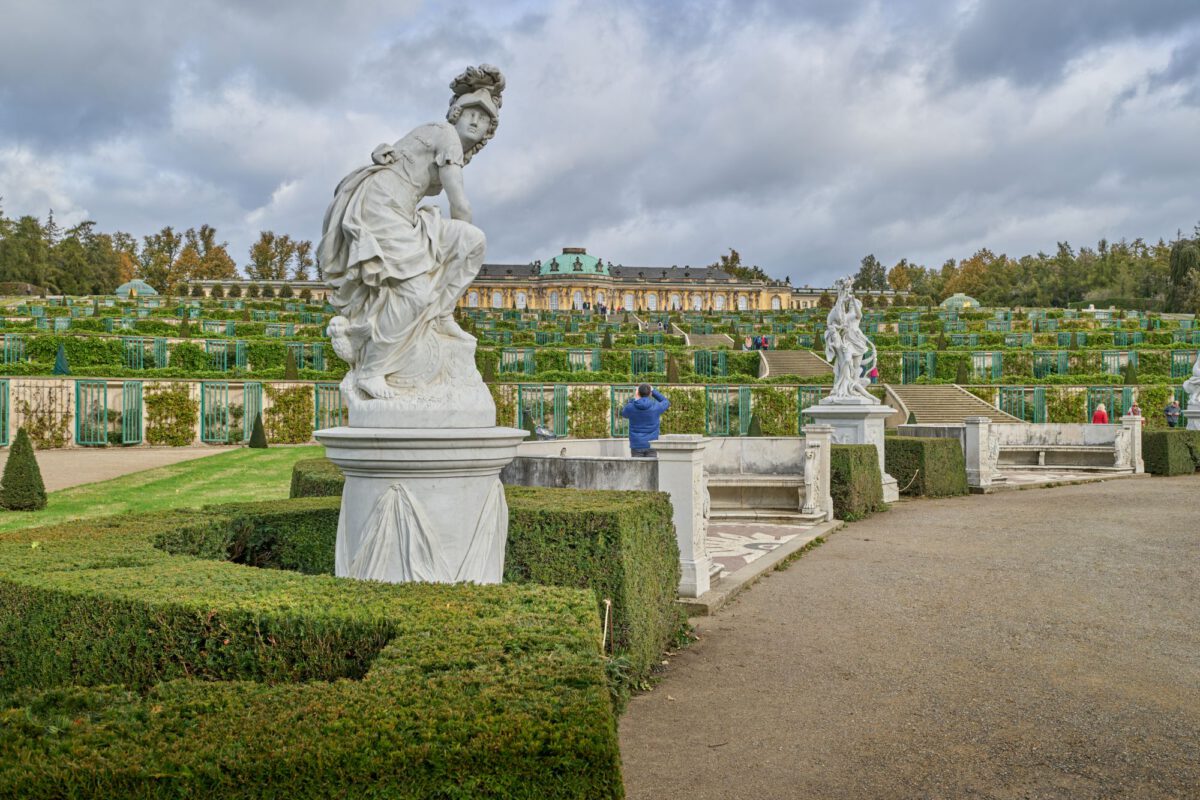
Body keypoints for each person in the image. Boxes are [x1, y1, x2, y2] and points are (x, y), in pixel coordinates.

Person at [318, 64, 505, 399]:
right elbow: (459, 205)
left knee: (472, 241)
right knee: (416, 293)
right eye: (471, 113)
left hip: (403, 214)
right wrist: (450, 251)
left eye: (485, 118)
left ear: (490, 129)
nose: (476, 121)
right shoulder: (445, 134)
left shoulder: (446, 143)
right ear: (455, 114)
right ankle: (373, 370)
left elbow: (392, 152)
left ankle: (440, 313)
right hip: (381, 209)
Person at [621, 383, 670, 458]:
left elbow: (624, 413)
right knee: (651, 469)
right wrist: (654, 391)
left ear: (638, 393)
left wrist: (634, 398)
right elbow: (666, 402)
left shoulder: (631, 407)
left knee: (637, 468)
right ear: (650, 393)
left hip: (636, 444)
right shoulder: (656, 406)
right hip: (652, 444)